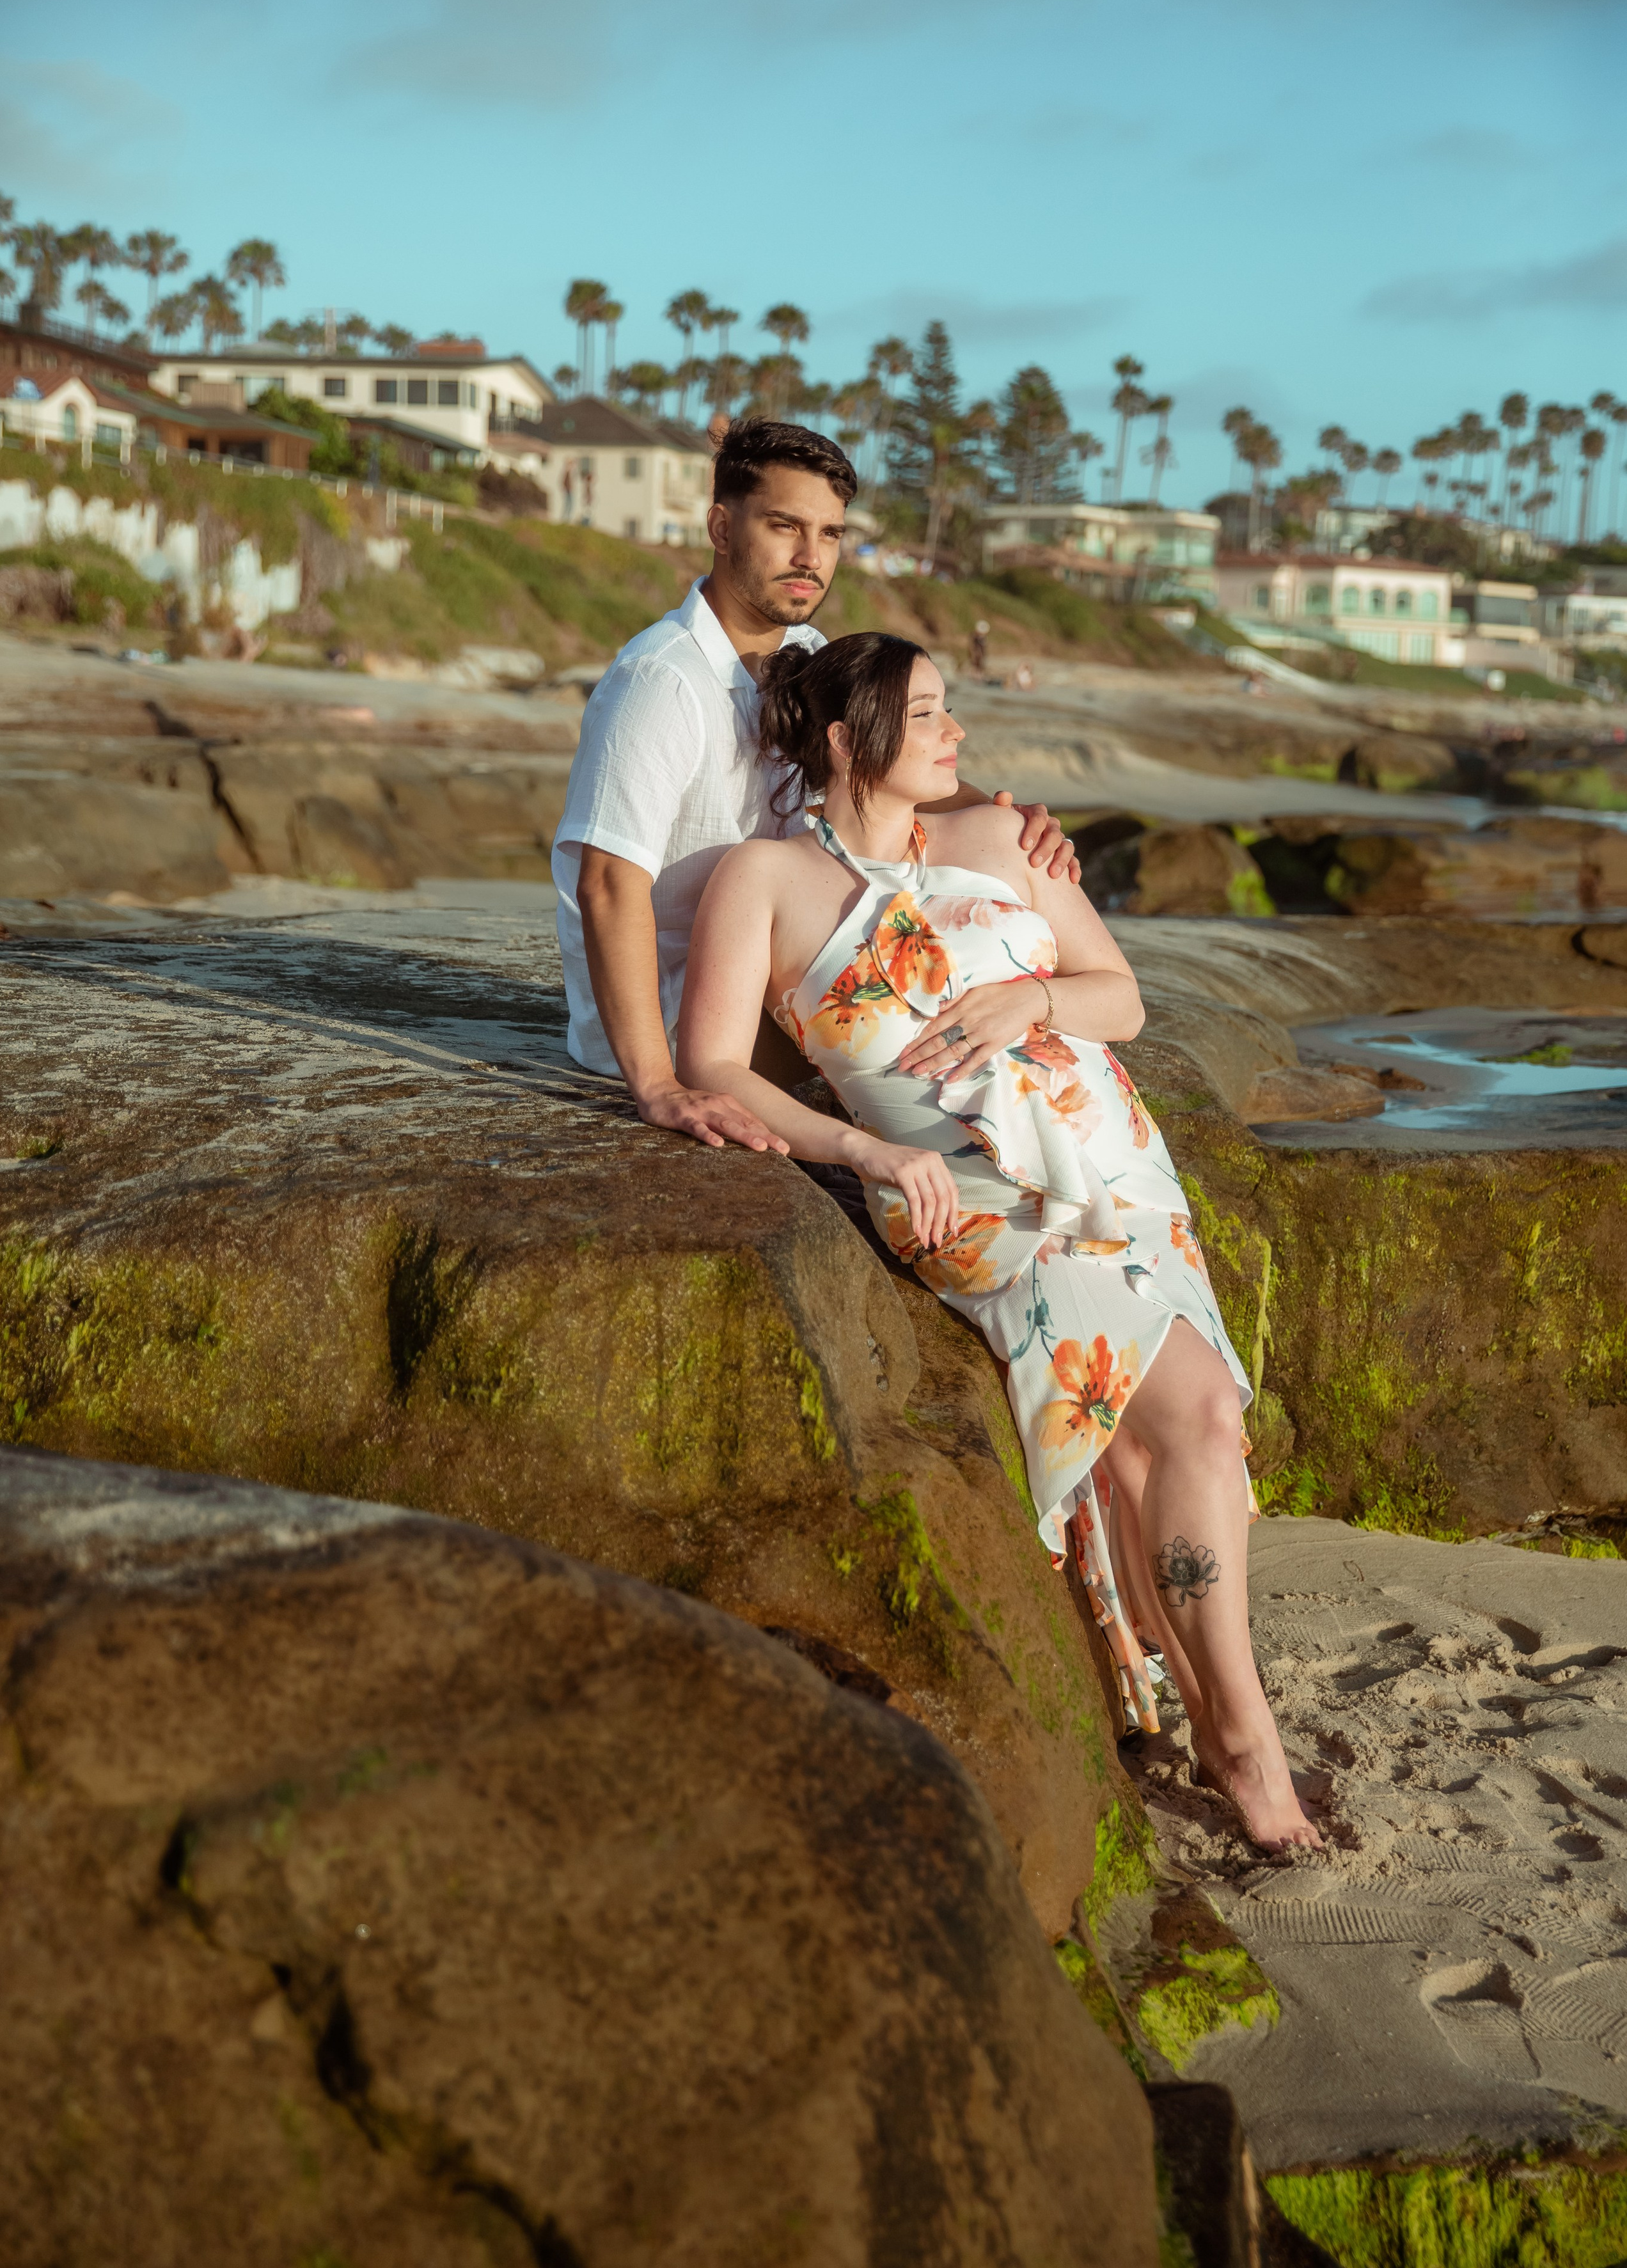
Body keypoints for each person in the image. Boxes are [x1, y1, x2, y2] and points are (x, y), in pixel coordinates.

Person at [677, 629, 1321, 1852]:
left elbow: (1118, 998)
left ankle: (1193, 1702)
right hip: (972, 1200)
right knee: (1194, 1417)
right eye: (927, 717)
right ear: (843, 741)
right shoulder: (760, 882)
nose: (955, 735)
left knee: (1162, 1438)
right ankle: (1245, 1746)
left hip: (1116, 1164)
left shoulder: (999, 840)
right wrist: (862, 1152)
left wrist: (1031, 997)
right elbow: (714, 1067)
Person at [553, 417, 1080, 1152]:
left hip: (773, 966)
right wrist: (659, 1088)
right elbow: (607, 883)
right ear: (721, 526)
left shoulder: (805, 653)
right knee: (944, 1001)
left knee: (977, 959)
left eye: (830, 534)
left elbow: (882, 758)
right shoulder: (661, 681)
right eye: (784, 526)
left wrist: (1015, 818)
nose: (810, 557)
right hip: (673, 1019)